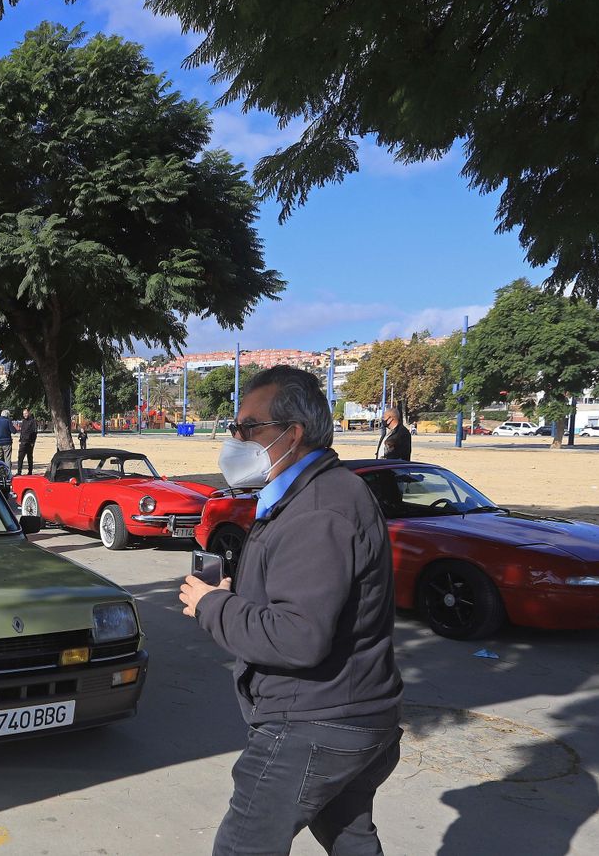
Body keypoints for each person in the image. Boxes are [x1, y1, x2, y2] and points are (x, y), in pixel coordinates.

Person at [178, 366, 403, 856]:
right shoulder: (309, 495)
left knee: (242, 847)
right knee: (350, 837)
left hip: (316, 722)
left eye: (248, 428)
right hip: (351, 713)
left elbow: (299, 636)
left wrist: (213, 605)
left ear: (292, 433)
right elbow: (306, 597)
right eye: (234, 429)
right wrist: (239, 597)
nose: (235, 440)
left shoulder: (319, 507)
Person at [16, 408, 39, 475]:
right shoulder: (23, 421)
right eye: (23, 414)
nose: (25, 415)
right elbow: (22, 432)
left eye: (26, 413)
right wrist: (20, 440)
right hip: (23, 442)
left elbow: (34, 432)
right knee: (20, 458)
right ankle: (19, 472)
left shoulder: (33, 421)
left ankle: (30, 472)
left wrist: (32, 442)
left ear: (29, 413)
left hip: (29, 443)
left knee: (29, 457)